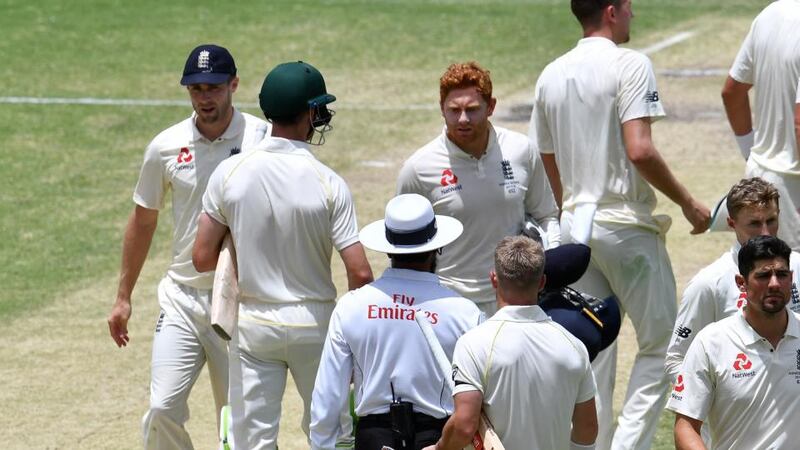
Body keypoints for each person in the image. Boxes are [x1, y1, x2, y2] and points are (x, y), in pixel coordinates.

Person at [527, 1, 711, 449]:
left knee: (593, 343)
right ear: (611, 11)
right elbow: (640, 150)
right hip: (626, 227)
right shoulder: (631, 63)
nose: (634, 16)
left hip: (577, 230)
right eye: (630, 8)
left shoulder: (551, 73)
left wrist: (568, 207)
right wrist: (688, 204)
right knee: (664, 346)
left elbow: (546, 159)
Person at [192, 60, 373, 450]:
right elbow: (359, 272)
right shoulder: (329, 183)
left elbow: (202, 257)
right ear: (310, 113)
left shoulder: (229, 173)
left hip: (254, 324)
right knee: (333, 436)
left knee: (252, 442)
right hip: (316, 324)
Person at [105, 44, 269, 449]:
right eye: (195, 89)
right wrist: (123, 297)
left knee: (237, 425)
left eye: (213, 87)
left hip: (239, 301)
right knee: (162, 408)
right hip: (182, 298)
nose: (204, 97)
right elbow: (143, 220)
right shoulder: (165, 146)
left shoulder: (262, 139)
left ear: (234, 84)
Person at [309, 193, 483, 450]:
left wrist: (322, 445)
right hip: (438, 439)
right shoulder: (465, 312)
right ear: (438, 247)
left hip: (374, 438)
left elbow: (328, 394)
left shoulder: (352, 307)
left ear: (389, 247)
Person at [397, 61, 560, 317]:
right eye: (454, 110)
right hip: (447, 304)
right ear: (442, 109)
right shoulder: (418, 168)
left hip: (514, 301)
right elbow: (405, 247)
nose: (463, 119)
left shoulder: (521, 150)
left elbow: (546, 215)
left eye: (472, 110)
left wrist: (551, 264)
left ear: (491, 107)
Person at [425, 236, 597, 450]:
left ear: (494, 279)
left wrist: (439, 448)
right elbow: (587, 428)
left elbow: (464, 425)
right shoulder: (574, 347)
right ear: (542, 282)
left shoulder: (473, 344)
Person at [667, 235, 800, 450]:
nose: (774, 283)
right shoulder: (710, 343)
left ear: (791, 278)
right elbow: (686, 427)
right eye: (764, 276)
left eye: (782, 275)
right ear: (741, 283)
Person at [665, 177, 800, 381]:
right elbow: (676, 359)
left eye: (771, 221)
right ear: (731, 223)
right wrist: (716, 397)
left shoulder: (798, 266)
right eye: (754, 224)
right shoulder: (709, 283)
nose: (765, 232)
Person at [722, 0, 800, 252]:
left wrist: (750, 152)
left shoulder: (770, 14)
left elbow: (732, 91)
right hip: (793, 190)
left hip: (761, 176)